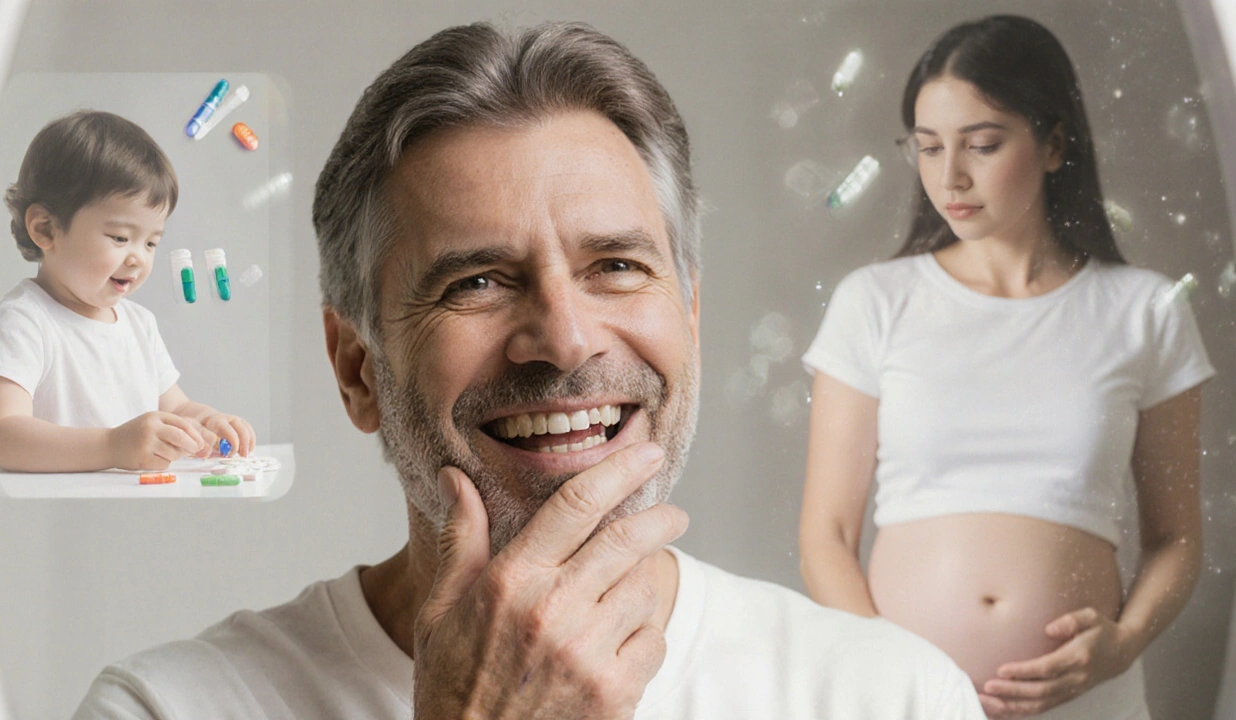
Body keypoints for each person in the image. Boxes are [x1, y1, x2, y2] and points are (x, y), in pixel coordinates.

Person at [72, 21, 985, 719]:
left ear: (693, 319)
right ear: (356, 367)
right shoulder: (166, 708)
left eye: (618, 266)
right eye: (477, 281)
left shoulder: (893, 697)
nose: (567, 338)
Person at [798, 15, 1214, 720]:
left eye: (982, 145)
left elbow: (1176, 537)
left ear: (1054, 144)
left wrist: (1124, 642)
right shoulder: (875, 302)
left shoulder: (1144, 312)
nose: (950, 177)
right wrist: (892, 672)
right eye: (928, 148)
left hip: (1089, 699)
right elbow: (825, 536)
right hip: (903, 701)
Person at [0, 110, 256, 472]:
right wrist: (111, 446)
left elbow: (176, 408)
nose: (138, 257)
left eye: (152, 243)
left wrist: (206, 422)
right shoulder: (25, 320)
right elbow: (0, 436)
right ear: (45, 229)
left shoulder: (140, 324)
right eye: (120, 238)